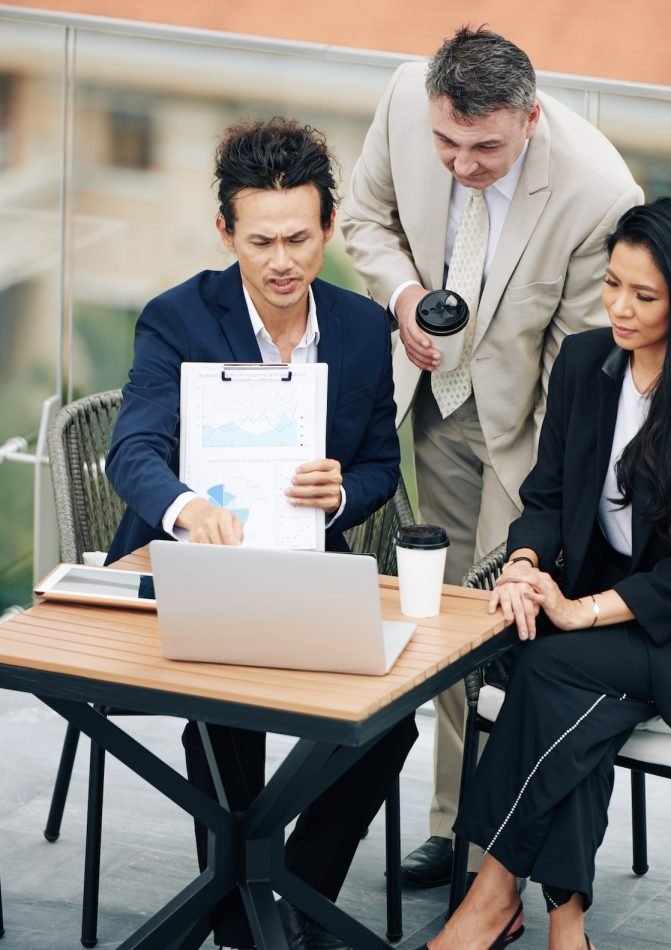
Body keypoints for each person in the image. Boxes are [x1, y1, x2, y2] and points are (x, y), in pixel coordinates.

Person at [415, 197, 671, 950]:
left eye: (643, 296)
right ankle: (565, 920)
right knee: (545, 671)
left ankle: (491, 894)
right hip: (594, 608)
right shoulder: (585, 363)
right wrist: (519, 566)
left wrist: (580, 611)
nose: (618, 306)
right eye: (612, 284)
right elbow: (546, 495)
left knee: (552, 664)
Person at [340, 25, 643, 885]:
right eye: (447, 142)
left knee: (502, 620)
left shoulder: (597, 193)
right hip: (429, 402)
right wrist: (403, 297)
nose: (462, 164)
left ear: (530, 118)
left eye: (485, 148)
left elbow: (576, 372)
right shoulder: (404, 95)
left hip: (529, 425)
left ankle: (494, 846)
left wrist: (537, 510)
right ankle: (451, 827)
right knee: (445, 621)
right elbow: (366, 218)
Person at [105, 118, 418, 950]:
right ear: (226, 233)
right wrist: (182, 506)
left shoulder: (357, 328)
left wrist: (344, 491)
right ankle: (245, 923)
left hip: (305, 557)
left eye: (299, 239)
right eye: (261, 241)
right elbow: (132, 448)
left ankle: (292, 899)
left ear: (325, 230)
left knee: (392, 717)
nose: (282, 262)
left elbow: (382, 463)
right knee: (226, 708)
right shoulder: (176, 319)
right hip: (190, 564)